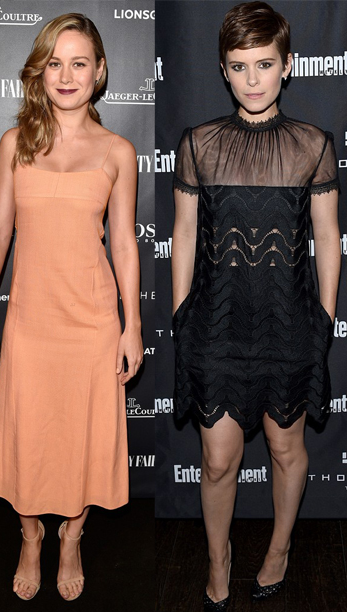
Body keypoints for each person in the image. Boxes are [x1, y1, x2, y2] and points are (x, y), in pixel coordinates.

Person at [171, 3, 341, 609]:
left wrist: (323, 319)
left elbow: (327, 237)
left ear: (286, 66)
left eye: (264, 64)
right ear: (223, 69)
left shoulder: (313, 146)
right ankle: (218, 558)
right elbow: (183, 233)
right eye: (239, 66)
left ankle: (279, 549)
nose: (252, 78)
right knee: (217, 461)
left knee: (286, 449)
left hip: (288, 327)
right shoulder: (199, 143)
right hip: (216, 328)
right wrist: (182, 315)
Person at [0, 13, 143, 602]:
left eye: (79, 63)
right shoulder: (14, 144)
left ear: (99, 72)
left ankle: (71, 536)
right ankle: (30, 535)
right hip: (31, 318)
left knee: (82, 435)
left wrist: (132, 325)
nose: (66, 75)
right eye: (54, 63)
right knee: (29, 432)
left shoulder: (118, 151)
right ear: (40, 72)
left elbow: (124, 244)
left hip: (92, 320)